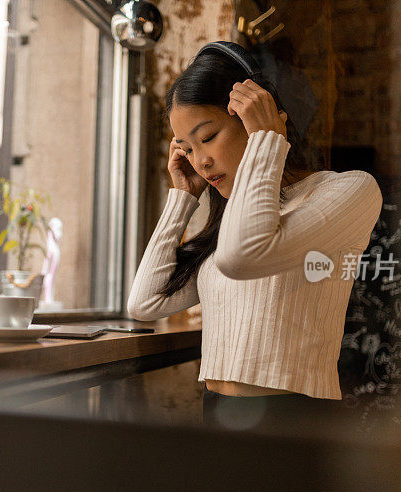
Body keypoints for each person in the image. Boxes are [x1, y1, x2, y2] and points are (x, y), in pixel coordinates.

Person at [126, 42, 383, 430]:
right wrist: (183, 197)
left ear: (258, 118)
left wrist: (267, 140)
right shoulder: (232, 222)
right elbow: (145, 303)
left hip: (292, 420)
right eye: (187, 148)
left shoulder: (349, 190)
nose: (201, 160)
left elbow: (243, 258)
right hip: (216, 412)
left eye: (208, 136)